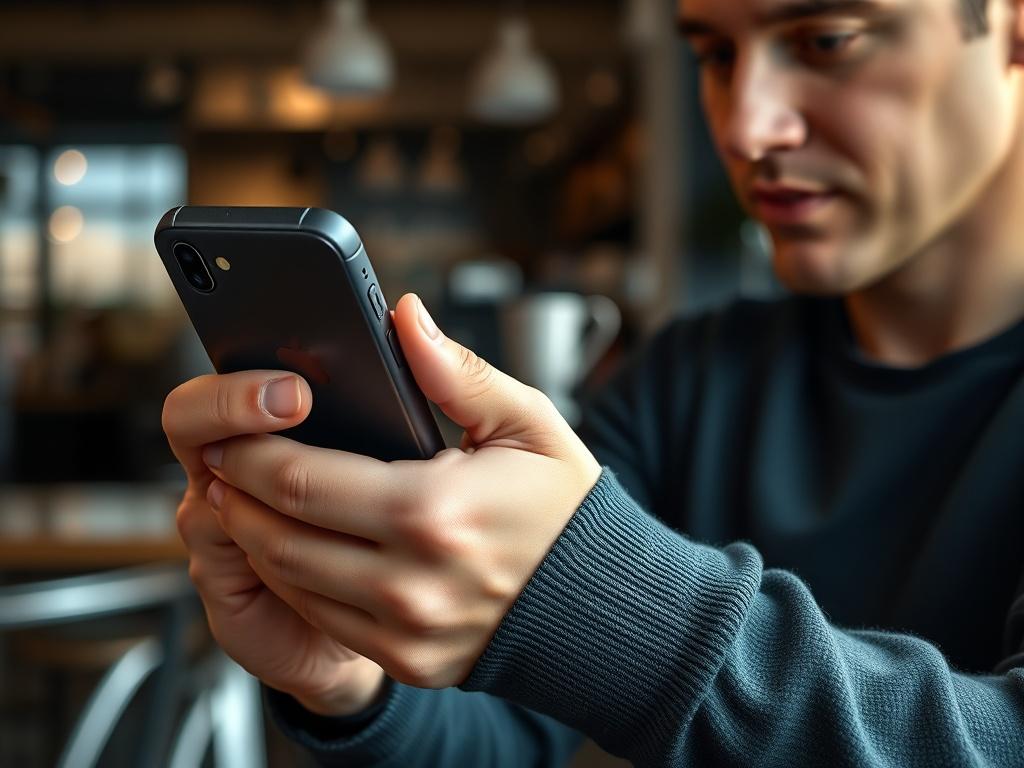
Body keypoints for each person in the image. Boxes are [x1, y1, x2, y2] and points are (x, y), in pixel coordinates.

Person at [162, 0, 1024, 764]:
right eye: (716, 57)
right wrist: (351, 681)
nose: (746, 130)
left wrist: (601, 597)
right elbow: (506, 736)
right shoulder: (686, 379)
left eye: (827, 38)